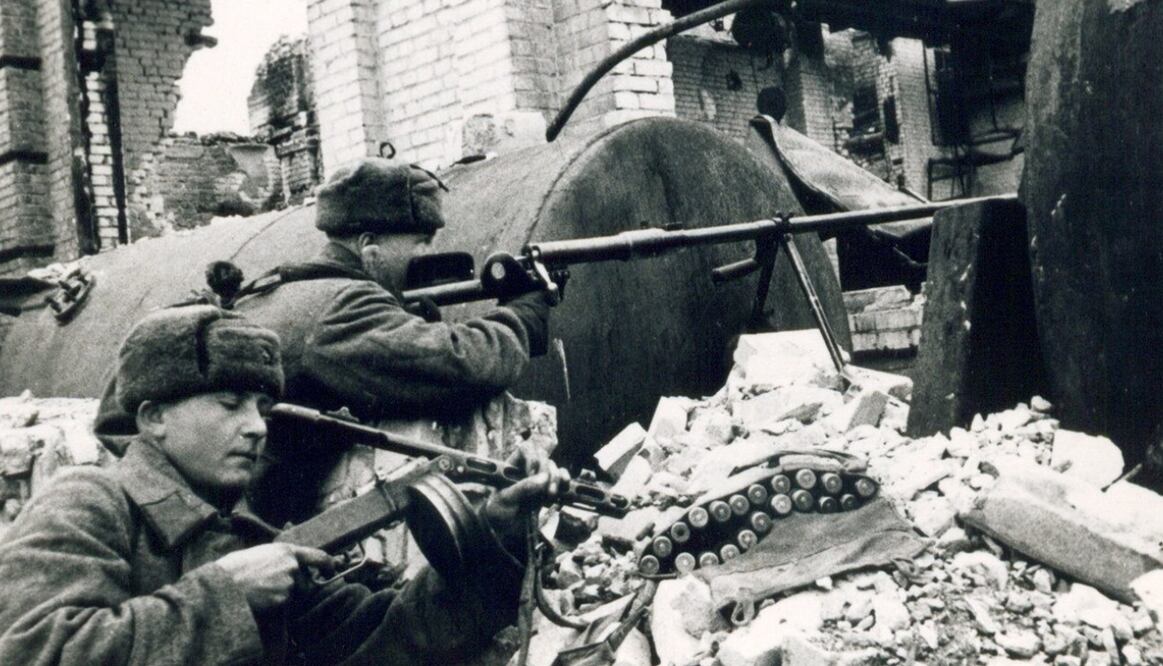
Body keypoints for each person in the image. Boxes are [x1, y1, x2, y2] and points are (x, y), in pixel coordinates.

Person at [0, 305, 564, 665]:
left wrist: (493, 534)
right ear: (154, 418)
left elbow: (391, 641)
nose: (255, 427)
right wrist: (226, 595)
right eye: (230, 404)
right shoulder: (88, 503)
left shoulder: (249, 542)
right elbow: (30, 652)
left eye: (262, 408)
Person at [96, 158, 556, 525]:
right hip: (245, 525)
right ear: (369, 244)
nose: (428, 253)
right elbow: (462, 362)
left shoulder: (281, 289)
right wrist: (525, 313)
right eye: (421, 240)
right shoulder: (343, 305)